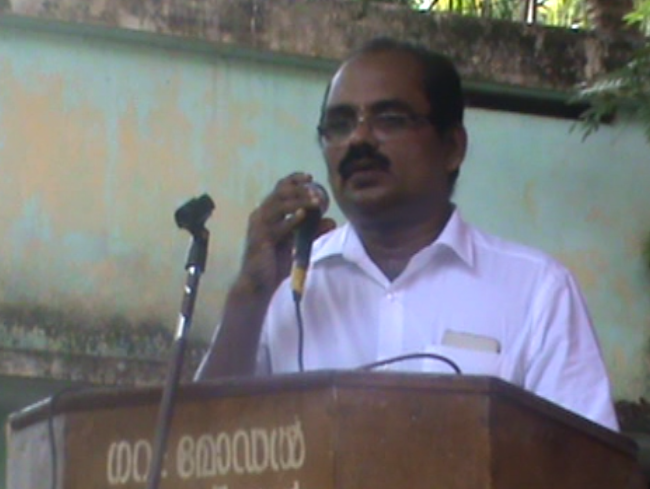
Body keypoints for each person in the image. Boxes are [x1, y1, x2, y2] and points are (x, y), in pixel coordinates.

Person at [196, 37, 619, 431]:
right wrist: (248, 296)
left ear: (452, 147)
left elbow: (584, 469)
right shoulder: (286, 285)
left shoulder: (537, 292)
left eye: (390, 120)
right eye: (339, 124)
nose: (358, 138)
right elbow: (203, 442)